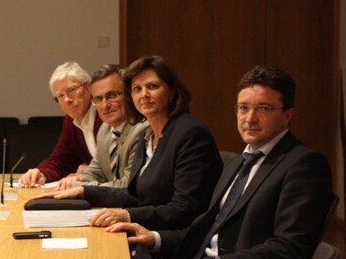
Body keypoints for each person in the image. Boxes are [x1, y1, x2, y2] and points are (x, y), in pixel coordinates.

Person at [107, 65, 333, 259]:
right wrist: (153, 237)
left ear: (288, 115)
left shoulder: (304, 165)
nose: (249, 118)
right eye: (243, 108)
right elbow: (209, 229)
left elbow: (289, 248)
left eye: (263, 109)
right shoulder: (240, 161)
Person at [34, 56, 222, 233]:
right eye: (137, 89)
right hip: (149, 230)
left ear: (172, 91)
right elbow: (133, 192)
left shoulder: (189, 133)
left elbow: (185, 209)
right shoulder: (149, 136)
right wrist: (83, 191)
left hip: (173, 241)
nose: (144, 95)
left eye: (152, 86)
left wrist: (127, 215)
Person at [57, 64, 147, 190]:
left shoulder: (142, 130)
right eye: (98, 99)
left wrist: (82, 188)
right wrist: (77, 179)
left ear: (128, 94)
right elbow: (96, 171)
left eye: (112, 96)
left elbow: (128, 185)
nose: (105, 105)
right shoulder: (105, 130)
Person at [18, 62, 103, 187]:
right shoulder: (70, 120)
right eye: (60, 96)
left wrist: (89, 172)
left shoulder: (105, 113)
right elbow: (61, 160)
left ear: (89, 87)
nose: (67, 100)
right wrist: (41, 173)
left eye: (72, 90)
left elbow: (116, 164)